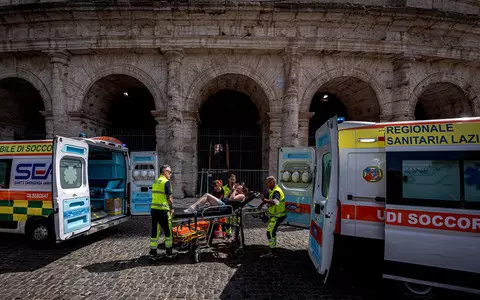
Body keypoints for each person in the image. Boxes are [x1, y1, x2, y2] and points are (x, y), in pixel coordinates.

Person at [149, 164, 175, 260]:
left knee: (155, 232)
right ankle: (169, 252)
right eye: (169, 172)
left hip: (154, 210)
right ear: (164, 172)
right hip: (163, 210)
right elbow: (169, 198)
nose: (170, 174)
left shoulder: (155, 181)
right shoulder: (166, 182)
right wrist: (172, 208)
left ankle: (153, 253)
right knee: (168, 231)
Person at [258, 176, 286, 258]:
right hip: (275, 215)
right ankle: (272, 250)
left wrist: (264, 200)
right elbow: (269, 199)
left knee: (270, 232)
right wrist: (261, 204)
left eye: (268, 183)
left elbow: (276, 202)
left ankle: (272, 252)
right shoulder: (272, 190)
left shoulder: (276, 191)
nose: (267, 185)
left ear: (272, 182)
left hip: (278, 216)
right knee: (270, 231)